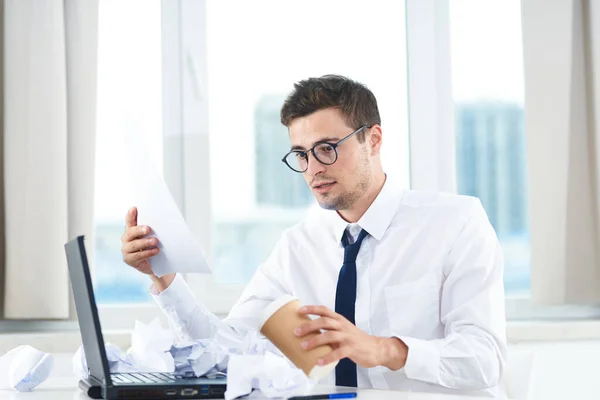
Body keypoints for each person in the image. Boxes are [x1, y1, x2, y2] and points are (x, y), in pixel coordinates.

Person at [121, 75, 507, 397]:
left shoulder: (455, 222)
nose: (313, 169)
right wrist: (164, 278)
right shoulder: (298, 245)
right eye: (301, 154)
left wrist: (382, 348)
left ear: (373, 140)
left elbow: (485, 359)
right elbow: (227, 348)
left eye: (326, 149)